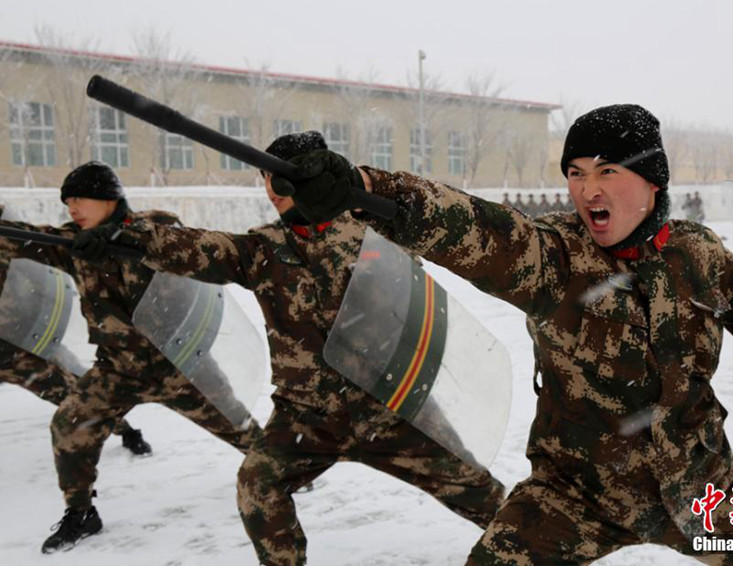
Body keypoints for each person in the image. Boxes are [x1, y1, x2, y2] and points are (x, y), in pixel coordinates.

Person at [273, 104, 733, 564]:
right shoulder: (554, 255)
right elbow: (476, 228)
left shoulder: (696, 253)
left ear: (653, 181)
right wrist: (366, 191)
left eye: (607, 171)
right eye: (576, 172)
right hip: (576, 496)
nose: (587, 189)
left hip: (702, 486)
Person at [78, 133, 505, 566]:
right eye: (264, 176)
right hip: (307, 418)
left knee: (480, 492)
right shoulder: (262, 249)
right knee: (257, 486)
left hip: (389, 408)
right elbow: (195, 249)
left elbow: (431, 235)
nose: (270, 188)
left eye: (280, 177)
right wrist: (125, 240)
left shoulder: (372, 233)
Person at [0, 162, 262, 554]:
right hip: (118, 370)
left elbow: (174, 236)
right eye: (67, 201)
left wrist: (120, 238)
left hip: (177, 362)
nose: (71, 207)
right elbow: (25, 240)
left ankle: (283, 475)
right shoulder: (75, 244)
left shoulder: (153, 226)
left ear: (109, 198)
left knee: (237, 422)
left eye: (79, 198)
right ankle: (81, 512)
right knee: (70, 425)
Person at [0, 207, 151, 456]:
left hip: (12, 344)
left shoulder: (8, 242)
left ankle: (125, 430)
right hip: (14, 339)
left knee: (66, 388)